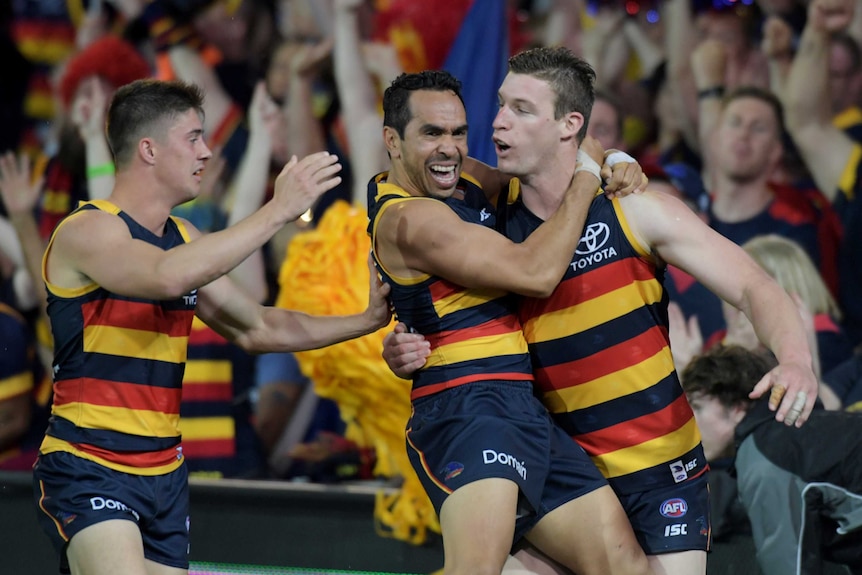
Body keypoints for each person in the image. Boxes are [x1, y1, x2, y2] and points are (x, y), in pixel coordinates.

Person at [384, 46, 820, 575]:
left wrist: (795, 359)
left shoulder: (635, 208)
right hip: (559, 467)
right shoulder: (484, 215)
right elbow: (412, 232)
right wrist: (404, 341)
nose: (497, 121)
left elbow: (754, 285)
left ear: (568, 125)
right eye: (501, 105)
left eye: (521, 109)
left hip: (661, 470)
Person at [30, 78, 392, 575]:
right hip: (91, 463)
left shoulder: (183, 237)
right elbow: (165, 276)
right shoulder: (87, 229)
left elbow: (259, 329)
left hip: (164, 474)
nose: (207, 152)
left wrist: (366, 320)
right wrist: (278, 210)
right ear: (149, 150)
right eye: (194, 138)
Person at [369, 68, 653, 575]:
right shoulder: (410, 218)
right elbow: (536, 272)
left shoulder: (465, 179)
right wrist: (591, 174)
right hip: (465, 410)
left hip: (522, 405)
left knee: (625, 568)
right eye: (431, 133)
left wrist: (615, 157)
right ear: (392, 140)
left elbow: (551, 156)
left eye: (458, 132)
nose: (449, 148)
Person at [681, 345, 862, 575]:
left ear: (737, 407)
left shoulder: (763, 459)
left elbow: (789, 569)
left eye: (696, 407)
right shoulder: (794, 433)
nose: (687, 424)